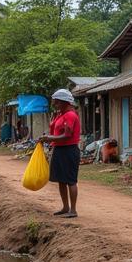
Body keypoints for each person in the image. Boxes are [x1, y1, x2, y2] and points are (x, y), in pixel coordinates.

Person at [39, 89, 82, 218]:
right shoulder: (60, 114)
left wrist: (49, 138)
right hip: (59, 149)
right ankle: (65, 207)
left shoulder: (70, 115)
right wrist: (48, 136)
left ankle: (73, 210)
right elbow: (55, 131)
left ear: (65, 102)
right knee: (61, 180)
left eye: (57, 102)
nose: (55, 105)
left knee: (70, 180)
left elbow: (67, 135)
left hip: (69, 150)